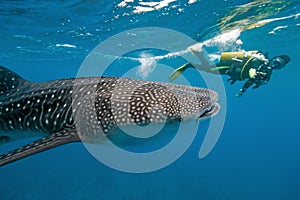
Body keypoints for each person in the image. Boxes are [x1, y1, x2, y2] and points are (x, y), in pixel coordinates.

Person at [169, 49, 291, 96]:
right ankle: (192, 61)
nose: (275, 65)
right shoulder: (260, 61)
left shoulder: (267, 75)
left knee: (210, 69)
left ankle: (199, 56)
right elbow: (252, 70)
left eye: (279, 65)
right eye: (276, 61)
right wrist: (252, 74)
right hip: (231, 65)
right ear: (274, 58)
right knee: (209, 69)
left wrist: (242, 91)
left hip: (232, 73)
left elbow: (250, 81)